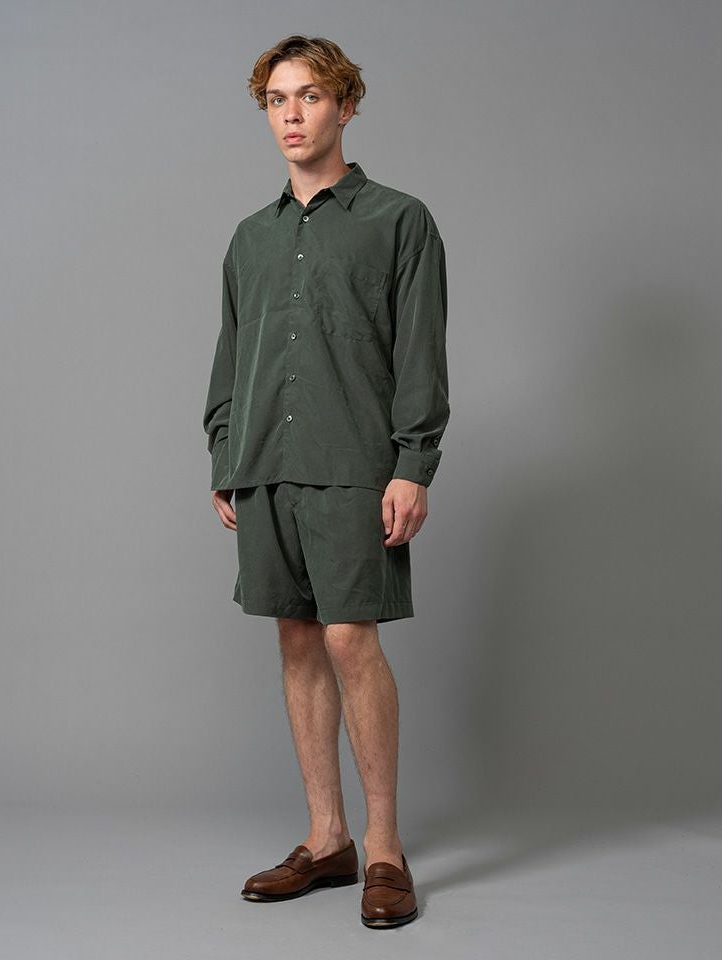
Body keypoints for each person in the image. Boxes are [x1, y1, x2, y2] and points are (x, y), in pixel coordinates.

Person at [202, 34, 449, 929]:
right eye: (277, 100)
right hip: (265, 465)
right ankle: (326, 838)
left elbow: (419, 353)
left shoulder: (399, 221)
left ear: (346, 105)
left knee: (351, 639)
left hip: (355, 466)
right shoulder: (251, 237)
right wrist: (225, 454)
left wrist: (412, 465)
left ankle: (385, 847)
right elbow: (233, 355)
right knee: (298, 640)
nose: (292, 115)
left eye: (309, 96)